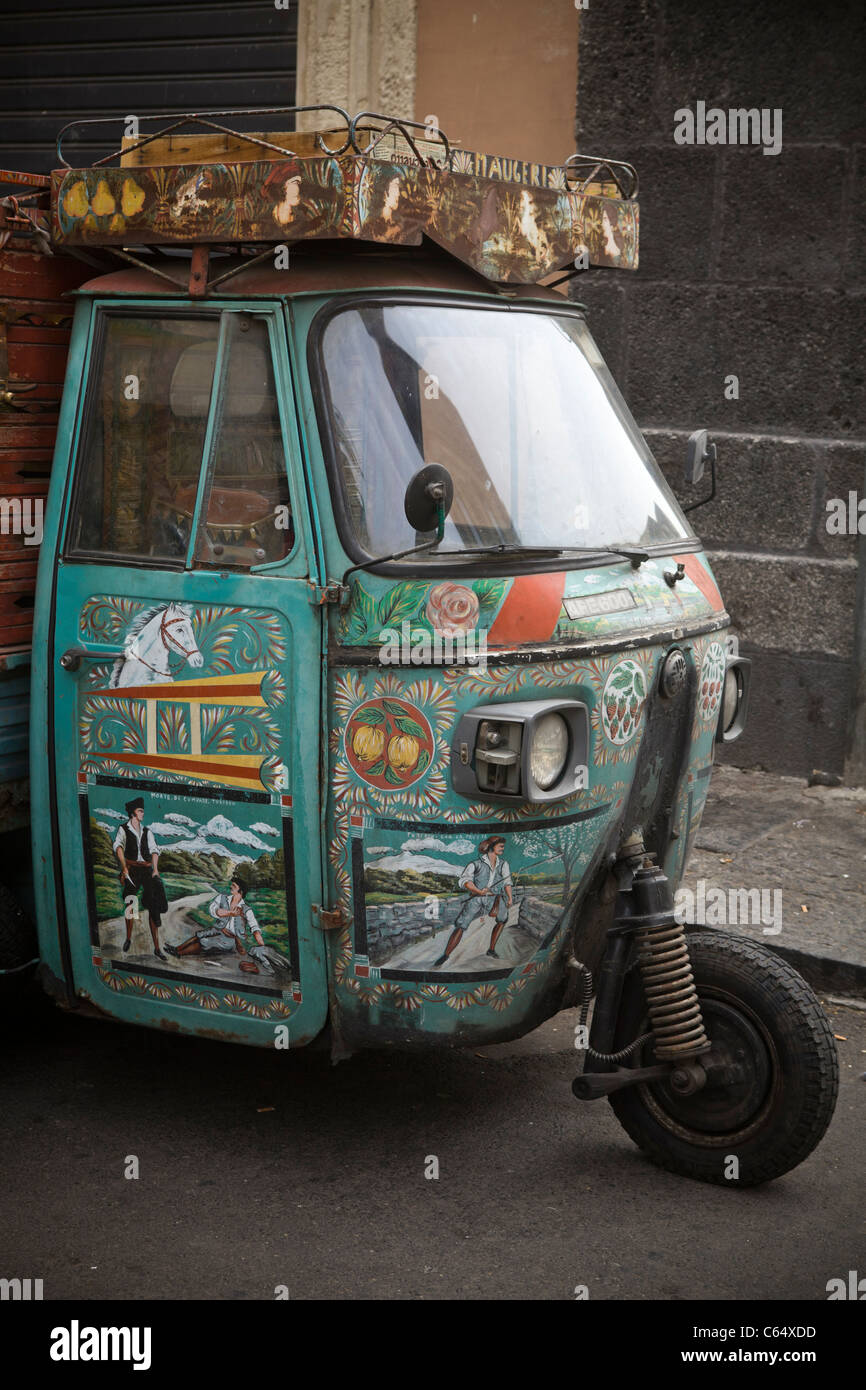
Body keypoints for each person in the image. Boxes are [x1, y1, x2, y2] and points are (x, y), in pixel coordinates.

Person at [166, 877, 287, 975]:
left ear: (241, 891)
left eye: (234, 886)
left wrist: (261, 944)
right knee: (200, 934)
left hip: (231, 939)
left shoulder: (246, 909)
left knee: (205, 941)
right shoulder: (222, 898)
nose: (231, 887)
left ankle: (179, 953)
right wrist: (230, 913)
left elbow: (254, 927)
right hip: (219, 928)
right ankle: (176, 949)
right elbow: (213, 911)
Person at [433, 836, 513, 967]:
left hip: (495, 898)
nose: (503, 848)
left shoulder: (504, 864)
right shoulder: (475, 864)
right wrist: (478, 891)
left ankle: (491, 949)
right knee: (462, 924)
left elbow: (507, 882)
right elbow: (465, 881)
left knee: (502, 919)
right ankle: (446, 954)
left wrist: (509, 898)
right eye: (501, 846)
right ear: (492, 847)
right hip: (476, 898)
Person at [113, 797, 169, 961]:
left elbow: (154, 850)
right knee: (130, 902)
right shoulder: (123, 829)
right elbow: (118, 847)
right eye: (140, 811)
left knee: (154, 905)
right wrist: (124, 868)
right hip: (132, 868)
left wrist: (156, 870)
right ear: (133, 813)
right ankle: (128, 938)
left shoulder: (147, 831)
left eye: (143, 810)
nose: (143, 813)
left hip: (146, 869)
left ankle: (157, 948)